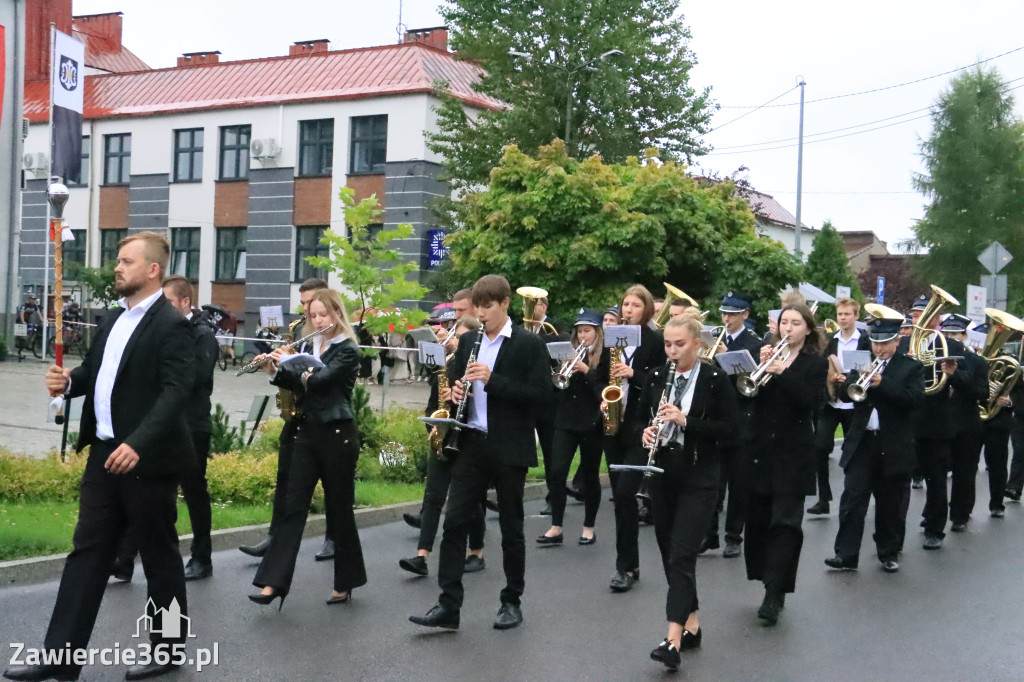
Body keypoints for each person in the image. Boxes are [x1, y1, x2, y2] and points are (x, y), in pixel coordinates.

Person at [5, 232, 195, 682]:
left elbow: (176, 392)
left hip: (146, 461)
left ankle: (167, 651)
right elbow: (94, 374)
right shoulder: (112, 320)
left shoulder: (172, 325)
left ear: (152, 270)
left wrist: (140, 443)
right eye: (117, 260)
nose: (117, 267)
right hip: (105, 455)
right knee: (87, 554)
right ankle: (60, 659)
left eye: (126, 261)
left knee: (159, 555)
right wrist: (68, 383)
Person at [410, 275, 551, 631]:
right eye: (479, 306)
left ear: (504, 304)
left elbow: (542, 397)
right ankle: (448, 605)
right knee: (455, 522)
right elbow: (457, 385)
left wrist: (493, 381)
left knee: (510, 527)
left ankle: (511, 601)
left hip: (509, 446)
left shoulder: (527, 345)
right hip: (471, 442)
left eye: (489, 306)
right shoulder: (470, 340)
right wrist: (457, 393)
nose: (483, 313)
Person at [250, 289, 366, 608]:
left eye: (323, 315)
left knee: (339, 512)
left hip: (338, 435)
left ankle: (346, 581)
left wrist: (295, 367)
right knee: (292, 507)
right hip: (307, 433)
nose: (317, 320)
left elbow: (321, 381)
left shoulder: (348, 350)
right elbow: (296, 381)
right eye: (313, 315)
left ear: (337, 314)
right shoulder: (309, 346)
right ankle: (273, 582)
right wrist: (274, 369)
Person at [638, 316, 737, 672]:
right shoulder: (654, 377)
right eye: (668, 344)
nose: (672, 351)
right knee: (669, 553)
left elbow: (731, 430)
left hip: (701, 476)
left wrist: (686, 422)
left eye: (679, 345)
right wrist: (646, 434)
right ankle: (691, 624)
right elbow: (638, 420)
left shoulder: (715, 380)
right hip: (664, 474)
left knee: (682, 554)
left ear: (697, 344)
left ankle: (672, 639)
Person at [111, 276, 220, 583]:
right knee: (144, 488)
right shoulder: (162, 328)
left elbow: (193, 379)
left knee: (194, 491)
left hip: (191, 425)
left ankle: (202, 557)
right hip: (159, 424)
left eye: (169, 302)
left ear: (185, 302)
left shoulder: (202, 334)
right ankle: (124, 558)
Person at [742, 304, 827, 625]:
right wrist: (757, 369)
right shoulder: (765, 356)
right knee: (761, 520)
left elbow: (812, 403)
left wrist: (783, 373)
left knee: (786, 524)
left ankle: (775, 592)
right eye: (783, 322)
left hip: (795, 453)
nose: (788, 328)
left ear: (807, 329)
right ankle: (767, 578)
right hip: (761, 451)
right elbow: (747, 397)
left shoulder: (815, 364)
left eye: (795, 323)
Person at [239, 278, 335, 561]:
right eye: (303, 304)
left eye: (311, 303)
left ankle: (334, 537)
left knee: (332, 482)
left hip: (326, 417)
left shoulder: (335, 335)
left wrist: (299, 366)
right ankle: (274, 536)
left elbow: (331, 377)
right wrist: (274, 367)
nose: (306, 310)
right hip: (297, 415)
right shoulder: (297, 330)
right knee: (284, 477)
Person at [826, 316, 925, 574]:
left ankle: (888, 552)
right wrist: (845, 382)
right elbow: (848, 392)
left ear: (897, 340)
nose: (879, 349)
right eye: (875, 343)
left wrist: (882, 384)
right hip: (863, 441)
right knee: (852, 498)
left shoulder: (910, 367)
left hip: (893, 443)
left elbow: (914, 400)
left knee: (890, 503)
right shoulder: (862, 361)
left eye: (885, 343)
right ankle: (845, 555)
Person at [399, 315, 487, 577]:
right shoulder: (446, 365)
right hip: (443, 433)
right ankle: (421, 556)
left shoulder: (478, 366)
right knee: (433, 496)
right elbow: (431, 403)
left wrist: (463, 395)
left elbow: (482, 407)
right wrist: (434, 427)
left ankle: (476, 552)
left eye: (459, 336)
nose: (453, 340)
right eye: (454, 335)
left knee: (468, 500)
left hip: (467, 437)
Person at [603, 284, 666, 593]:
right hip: (612, 423)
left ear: (646, 310)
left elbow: (660, 383)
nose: (628, 310)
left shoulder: (655, 341)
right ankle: (630, 562)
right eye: (625, 304)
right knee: (620, 500)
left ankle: (624, 567)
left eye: (635, 305)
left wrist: (634, 375)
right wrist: (601, 400)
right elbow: (599, 378)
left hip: (639, 427)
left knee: (627, 494)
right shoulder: (611, 338)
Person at [403, 288, 476, 531]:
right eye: (455, 310)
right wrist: (439, 349)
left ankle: (473, 539)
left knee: (464, 485)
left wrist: (458, 346)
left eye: (461, 310)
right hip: (440, 406)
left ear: (475, 309)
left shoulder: (475, 336)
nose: (456, 315)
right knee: (438, 472)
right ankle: (428, 520)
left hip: (464, 416)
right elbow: (433, 373)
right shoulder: (455, 334)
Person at [538, 309, 610, 547]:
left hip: (592, 421)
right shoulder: (568, 351)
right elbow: (557, 384)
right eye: (579, 331)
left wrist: (586, 370)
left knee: (590, 476)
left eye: (587, 331)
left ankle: (588, 527)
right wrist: (560, 366)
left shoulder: (607, 354)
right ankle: (556, 526)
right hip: (566, 419)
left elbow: (605, 391)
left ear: (598, 333)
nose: (582, 336)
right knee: (557, 472)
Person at [704, 290, 762, 558]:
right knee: (714, 483)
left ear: (745, 315)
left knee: (738, 485)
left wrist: (729, 356)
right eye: (724, 313)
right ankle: (709, 535)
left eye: (732, 314)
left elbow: (750, 385)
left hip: (741, 419)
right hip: (716, 418)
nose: (726, 318)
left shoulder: (754, 343)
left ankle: (733, 536)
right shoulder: (713, 338)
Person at [809, 297, 871, 515]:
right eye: (840, 314)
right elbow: (824, 367)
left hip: (853, 404)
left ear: (856, 316)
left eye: (847, 314)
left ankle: (853, 494)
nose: (843, 318)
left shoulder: (864, 340)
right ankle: (824, 498)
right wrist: (832, 378)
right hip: (833, 401)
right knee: (819, 447)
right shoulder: (831, 340)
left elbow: (865, 369)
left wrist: (850, 379)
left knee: (853, 451)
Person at [943, 316, 999, 529]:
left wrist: (955, 374)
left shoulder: (976, 362)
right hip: (940, 423)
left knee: (964, 472)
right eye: (946, 334)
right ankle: (934, 515)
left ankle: (960, 514)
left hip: (966, 424)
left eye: (954, 334)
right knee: (937, 472)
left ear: (964, 336)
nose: (950, 338)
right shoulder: (933, 358)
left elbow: (983, 393)